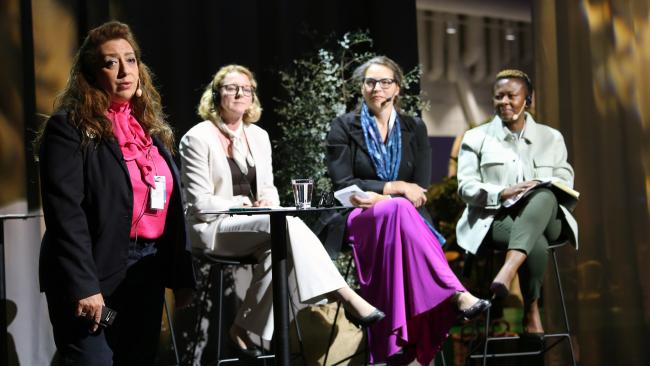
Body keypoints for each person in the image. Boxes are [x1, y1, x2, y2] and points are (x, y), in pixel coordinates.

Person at [179, 64, 383, 356]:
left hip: (256, 226)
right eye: (230, 87)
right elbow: (199, 202)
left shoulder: (258, 136)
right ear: (216, 95)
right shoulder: (197, 138)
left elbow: (269, 190)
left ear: (253, 96)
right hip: (214, 228)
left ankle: (241, 328)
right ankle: (345, 296)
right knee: (287, 226)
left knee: (281, 248)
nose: (239, 93)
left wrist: (267, 203)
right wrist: (240, 206)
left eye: (246, 88)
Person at [37, 21, 195, 365]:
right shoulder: (69, 129)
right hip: (93, 271)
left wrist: (181, 275)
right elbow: (66, 216)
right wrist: (84, 286)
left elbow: (171, 206)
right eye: (111, 63)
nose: (125, 71)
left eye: (131, 60)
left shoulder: (150, 132)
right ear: (92, 74)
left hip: (144, 273)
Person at [321, 56, 491, 365]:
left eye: (385, 81)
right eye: (370, 82)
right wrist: (391, 189)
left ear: (397, 88)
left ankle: (397, 346)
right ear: (362, 88)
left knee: (400, 214)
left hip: (403, 217)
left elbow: (420, 190)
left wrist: (389, 198)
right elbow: (344, 183)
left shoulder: (415, 127)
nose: (376, 88)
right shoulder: (343, 126)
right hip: (357, 216)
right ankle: (454, 293)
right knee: (399, 207)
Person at [456, 69, 578, 340]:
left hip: (548, 218)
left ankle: (508, 270)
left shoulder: (551, 137)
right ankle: (531, 309)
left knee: (544, 196)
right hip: (497, 220)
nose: (505, 102)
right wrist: (502, 192)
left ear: (528, 99)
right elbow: (465, 188)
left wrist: (540, 184)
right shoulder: (476, 138)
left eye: (512, 95)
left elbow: (565, 179)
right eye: (499, 97)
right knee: (534, 241)